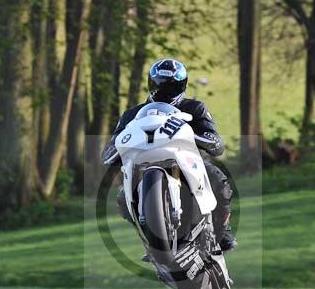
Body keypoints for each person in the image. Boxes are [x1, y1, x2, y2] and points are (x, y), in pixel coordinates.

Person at [101, 58, 237, 253]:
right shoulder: (132, 115)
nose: (165, 91)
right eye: (160, 85)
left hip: (185, 162)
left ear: (182, 86)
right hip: (142, 165)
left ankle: (223, 231)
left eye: (172, 87)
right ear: (150, 84)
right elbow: (111, 147)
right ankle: (149, 237)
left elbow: (215, 141)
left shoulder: (195, 108)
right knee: (123, 197)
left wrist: (198, 137)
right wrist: (115, 150)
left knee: (216, 177)